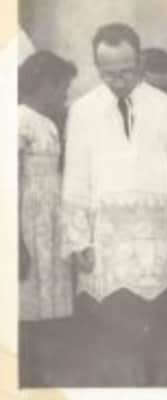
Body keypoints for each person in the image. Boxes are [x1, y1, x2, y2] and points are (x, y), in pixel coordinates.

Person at [61, 23, 167, 385]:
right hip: (105, 247)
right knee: (112, 341)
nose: (118, 82)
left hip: (158, 245)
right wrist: (78, 241)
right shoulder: (82, 112)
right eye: (108, 74)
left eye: (125, 72)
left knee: (155, 339)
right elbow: (75, 178)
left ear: (138, 62)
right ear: (97, 66)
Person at [18, 51, 77, 386]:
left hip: (49, 222)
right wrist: (16, 241)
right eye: (62, 89)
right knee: (26, 301)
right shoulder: (19, 120)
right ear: (43, 84)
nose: (64, 97)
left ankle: (44, 377)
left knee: (48, 304)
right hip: (28, 225)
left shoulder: (50, 124)